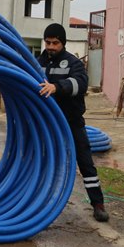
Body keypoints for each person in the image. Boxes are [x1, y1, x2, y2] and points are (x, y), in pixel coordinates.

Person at [38, 23, 109, 222]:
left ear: (63, 43)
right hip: (48, 124)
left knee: (85, 162)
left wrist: (57, 87)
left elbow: (81, 84)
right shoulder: (38, 62)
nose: (51, 46)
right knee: (41, 161)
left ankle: (98, 204)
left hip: (71, 122)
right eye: (48, 42)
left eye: (55, 43)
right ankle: (36, 202)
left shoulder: (72, 63)